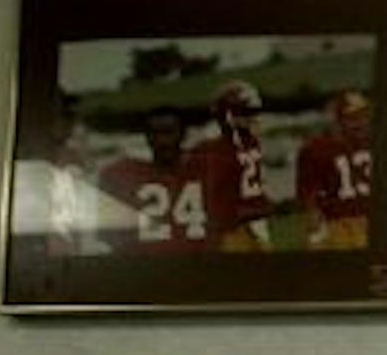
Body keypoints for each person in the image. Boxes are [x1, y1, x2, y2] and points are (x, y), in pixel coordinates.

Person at [96, 106, 208, 255]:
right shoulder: (125, 174)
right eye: (155, 133)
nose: (161, 141)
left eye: (168, 132)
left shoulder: (207, 170)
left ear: (183, 135)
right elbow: (112, 240)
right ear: (146, 137)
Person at [196, 80, 273, 251]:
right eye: (246, 112)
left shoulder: (249, 141)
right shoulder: (214, 148)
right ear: (228, 114)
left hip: (252, 217)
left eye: (253, 112)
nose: (253, 118)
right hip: (234, 223)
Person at [296, 89, 374, 251]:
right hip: (338, 224)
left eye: (363, 115)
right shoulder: (317, 149)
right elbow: (309, 196)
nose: (361, 122)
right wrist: (315, 226)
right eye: (352, 118)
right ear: (336, 122)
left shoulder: (376, 141)